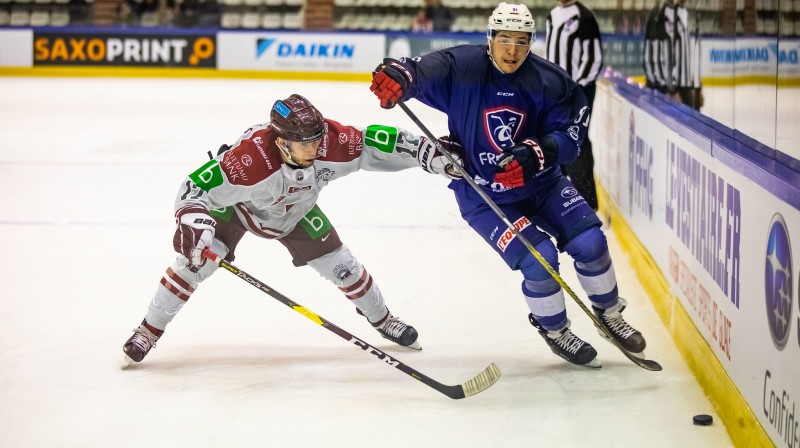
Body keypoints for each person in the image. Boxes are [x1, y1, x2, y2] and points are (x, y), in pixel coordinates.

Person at [369, 2, 648, 368]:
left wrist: (538, 152)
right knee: (540, 260)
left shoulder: (550, 81)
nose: (512, 49)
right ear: (490, 38)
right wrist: (398, 75)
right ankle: (556, 330)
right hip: (484, 195)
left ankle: (609, 313)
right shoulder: (463, 66)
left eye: (521, 41)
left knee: (591, 242)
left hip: (542, 184)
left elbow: (572, 135)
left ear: (531, 42)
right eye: (504, 39)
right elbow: (419, 72)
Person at [122, 94, 464, 367]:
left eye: (317, 139)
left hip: (296, 214)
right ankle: (147, 330)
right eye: (305, 142)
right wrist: (192, 218)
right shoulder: (250, 161)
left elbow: (376, 140)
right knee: (195, 264)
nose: (315, 148)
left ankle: (384, 319)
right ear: (282, 141)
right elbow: (195, 186)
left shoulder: (331, 142)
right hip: (238, 209)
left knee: (346, 267)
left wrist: (423, 151)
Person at [545, 0, 603, 210]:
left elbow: (593, 60)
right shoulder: (552, 15)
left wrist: (573, 90)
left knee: (577, 140)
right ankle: (559, 197)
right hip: (555, 92)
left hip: (578, 91)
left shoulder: (584, 17)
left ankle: (588, 203)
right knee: (554, 138)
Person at [643, 0, 703, 110]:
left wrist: (698, 87)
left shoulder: (685, 13)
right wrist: (670, 90)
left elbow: (690, 55)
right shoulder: (658, 16)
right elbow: (654, 58)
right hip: (672, 90)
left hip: (686, 87)